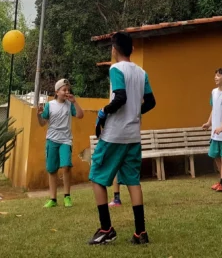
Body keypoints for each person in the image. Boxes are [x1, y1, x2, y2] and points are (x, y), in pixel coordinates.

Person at [88, 30, 156, 246]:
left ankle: (106, 229)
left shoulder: (115, 69)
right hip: (133, 136)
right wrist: (135, 112)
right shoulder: (142, 73)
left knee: (96, 176)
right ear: (132, 49)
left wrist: (104, 111)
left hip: (114, 134)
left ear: (114, 50)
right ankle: (140, 232)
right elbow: (151, 102)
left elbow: (120, 97)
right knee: (133, 181)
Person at [37, 77, 85, 208]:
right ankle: (53, 199)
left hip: (66, 140)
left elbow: (80, 115)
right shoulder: (49, 105)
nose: (67, 92)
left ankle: (67, 196)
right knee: (52, 170)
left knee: (66, 166)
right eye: (64, 90)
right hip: (52, 140)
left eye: (68, 90)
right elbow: (42, 123)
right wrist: (38, 115)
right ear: (57, 92)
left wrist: (75, 102)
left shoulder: (70, 105)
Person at [202, 67, 222, 192]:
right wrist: (209, 122)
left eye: (218, 75)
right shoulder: (214, 92)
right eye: (215, 75)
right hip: (215, 132)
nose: (215, 77)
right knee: (215, 155)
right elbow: (214, 108)